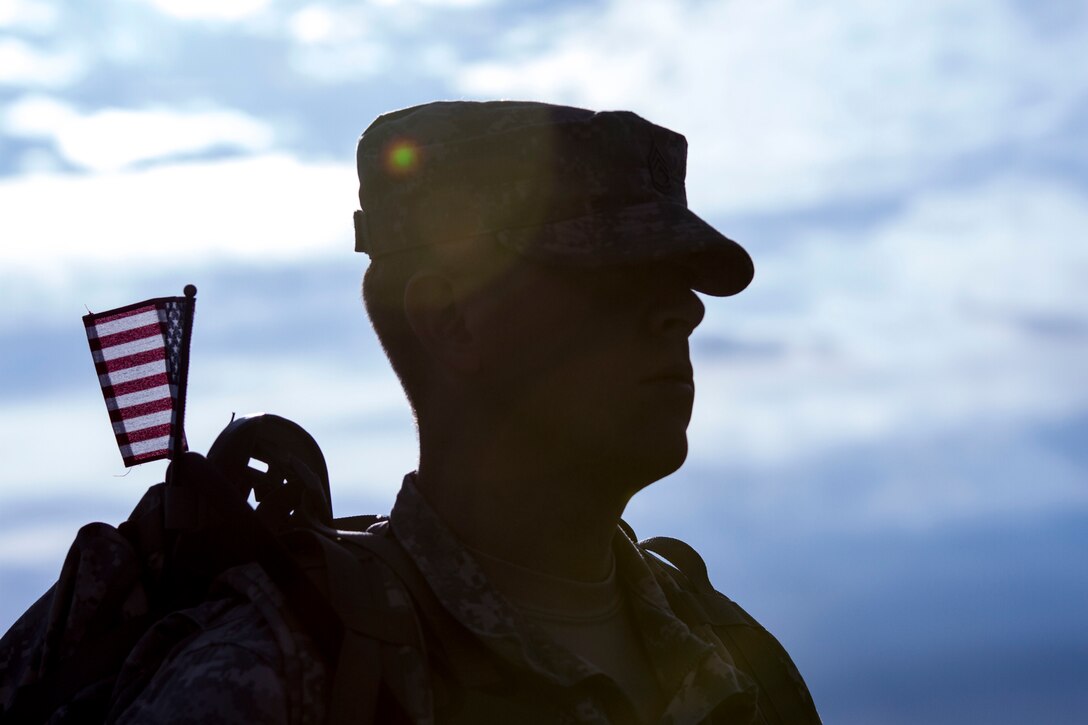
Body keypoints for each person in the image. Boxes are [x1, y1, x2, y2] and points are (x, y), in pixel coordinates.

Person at [3, 100, 821, 724]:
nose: (683, 314)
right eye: (615, 274)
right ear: (452, 317)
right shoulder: (286, 672)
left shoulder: (738, 662)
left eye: (677, 282)